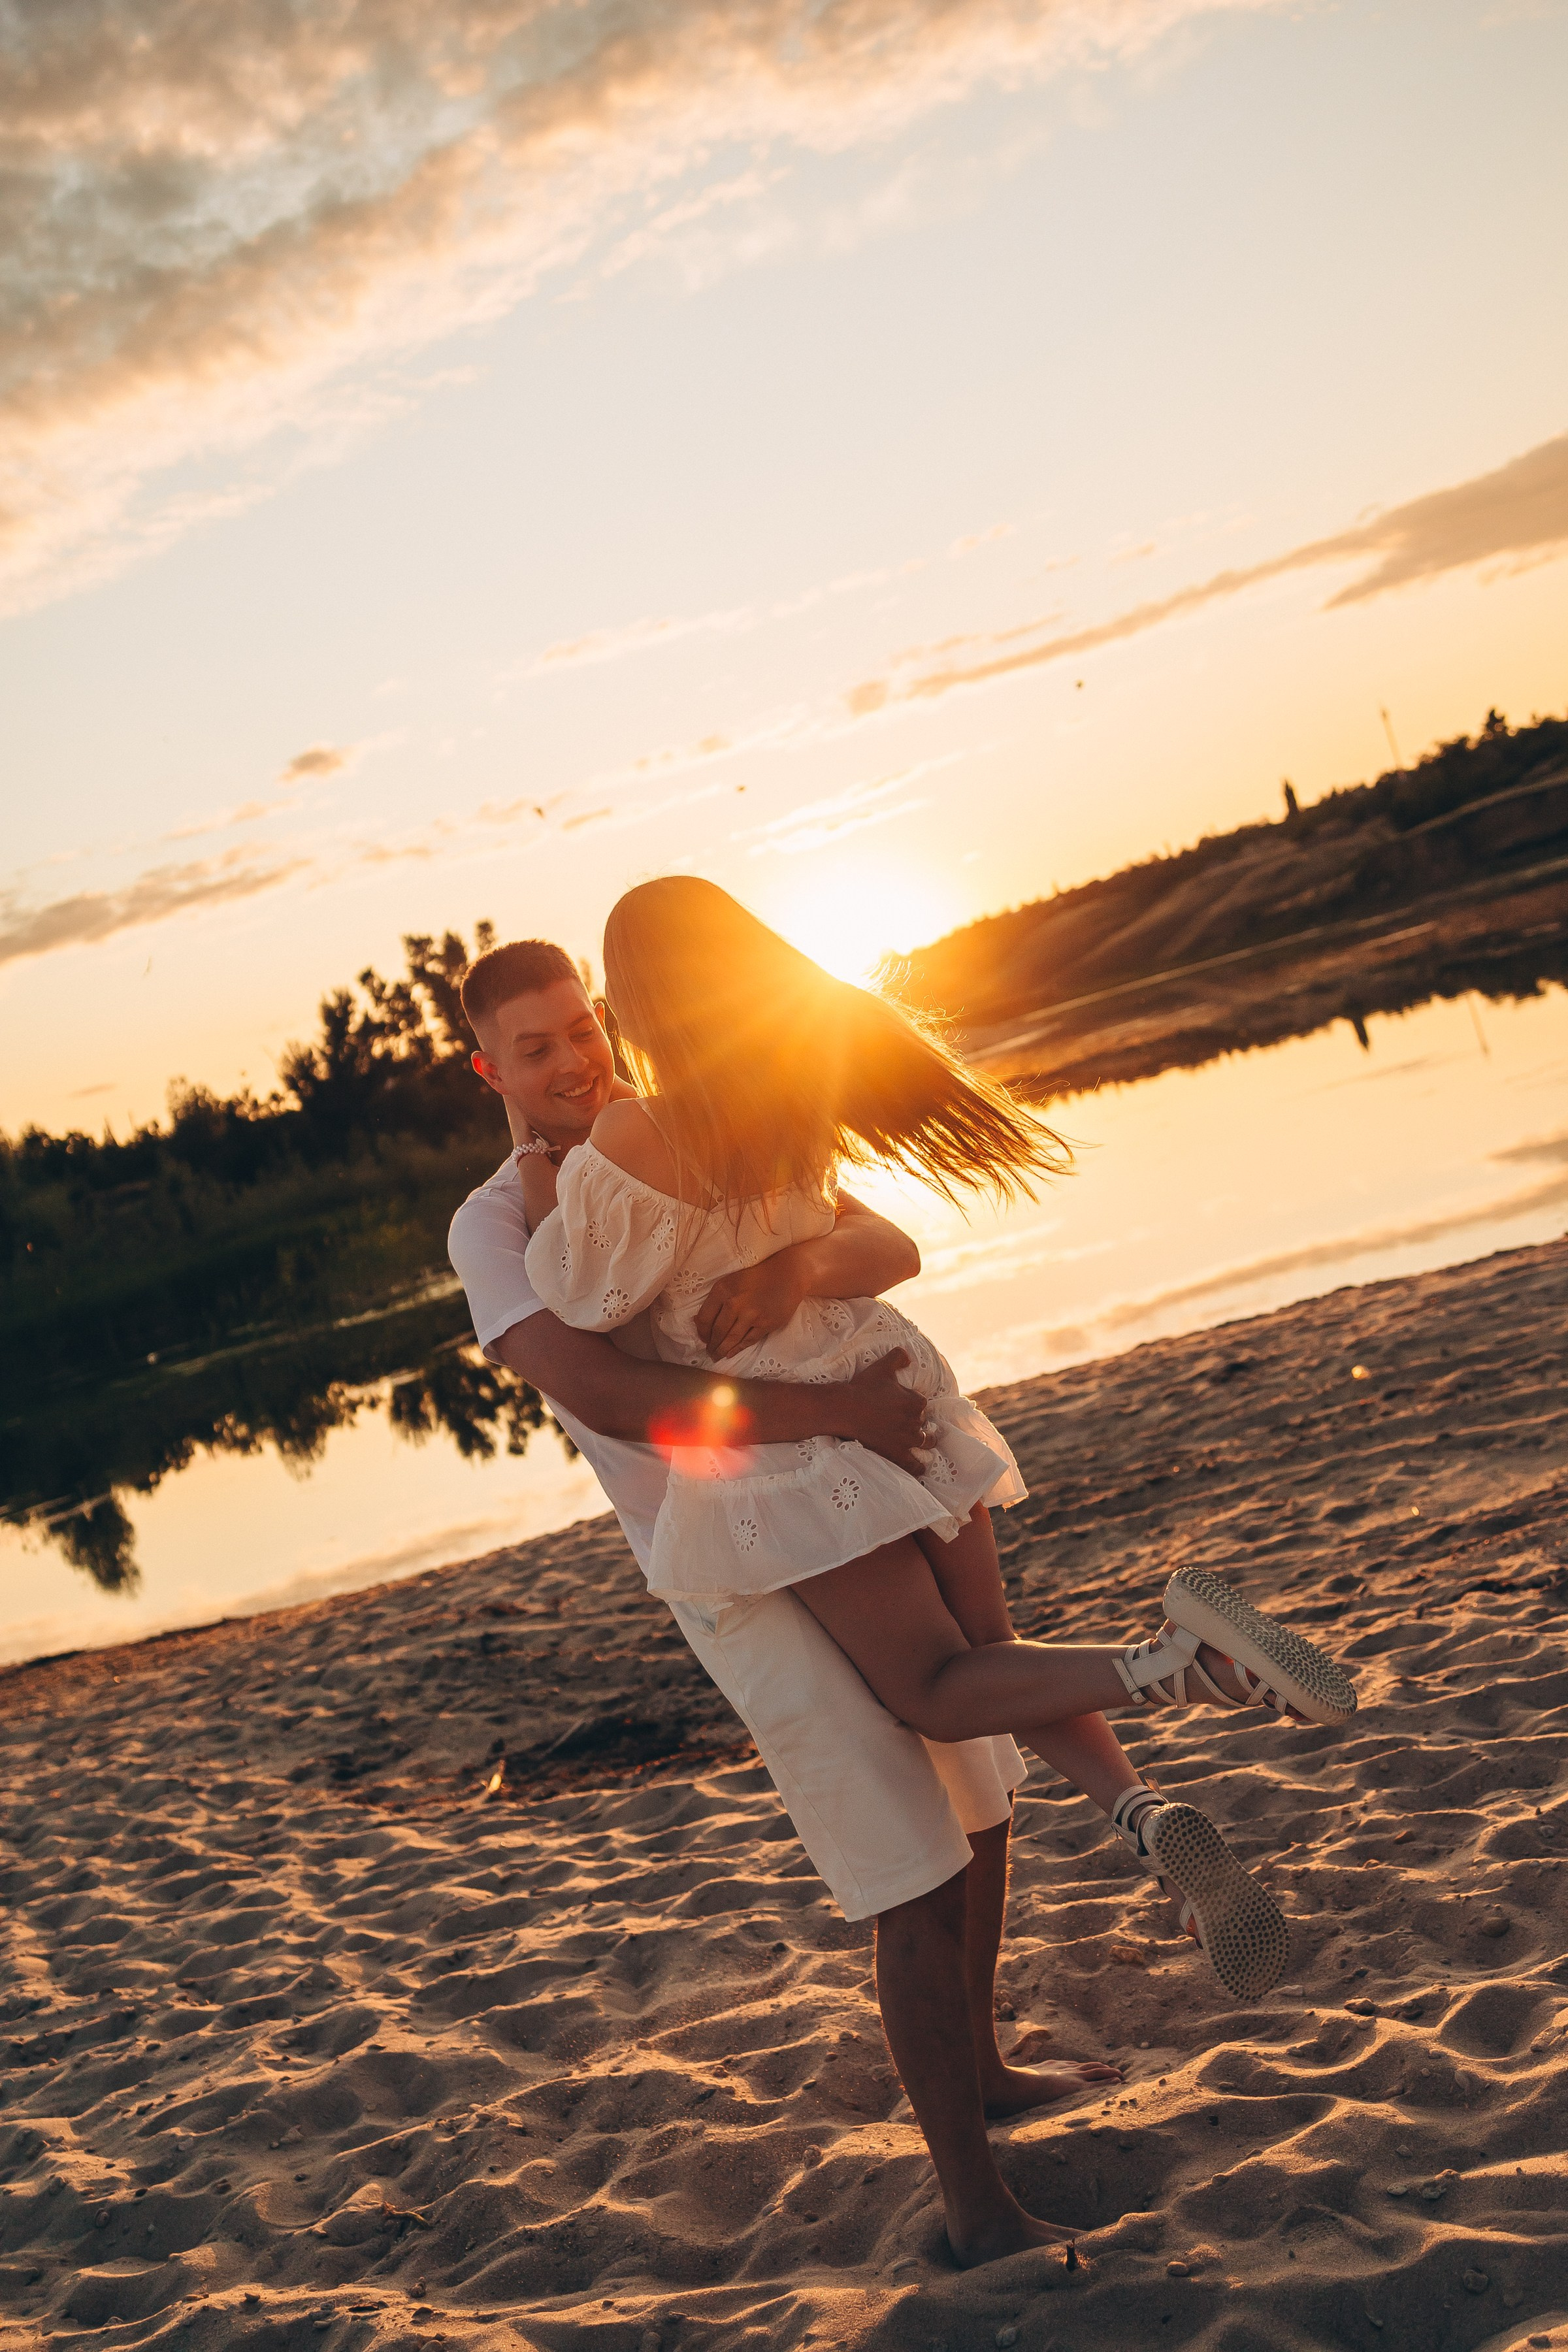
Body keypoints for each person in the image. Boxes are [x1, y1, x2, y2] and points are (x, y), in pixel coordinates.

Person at [515, 883, 1358, 2129]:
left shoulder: (629, 1146)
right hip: (905, 1381)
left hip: (802, 1444)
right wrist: (789, 1259)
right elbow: (882, 1245)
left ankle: (1171, 1660)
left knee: (930, 1691)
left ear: (633, 1000)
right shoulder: (786, 1093)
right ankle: (1143, 1813)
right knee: (989, 1661)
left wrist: (547, 1181)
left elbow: (571, 1296)